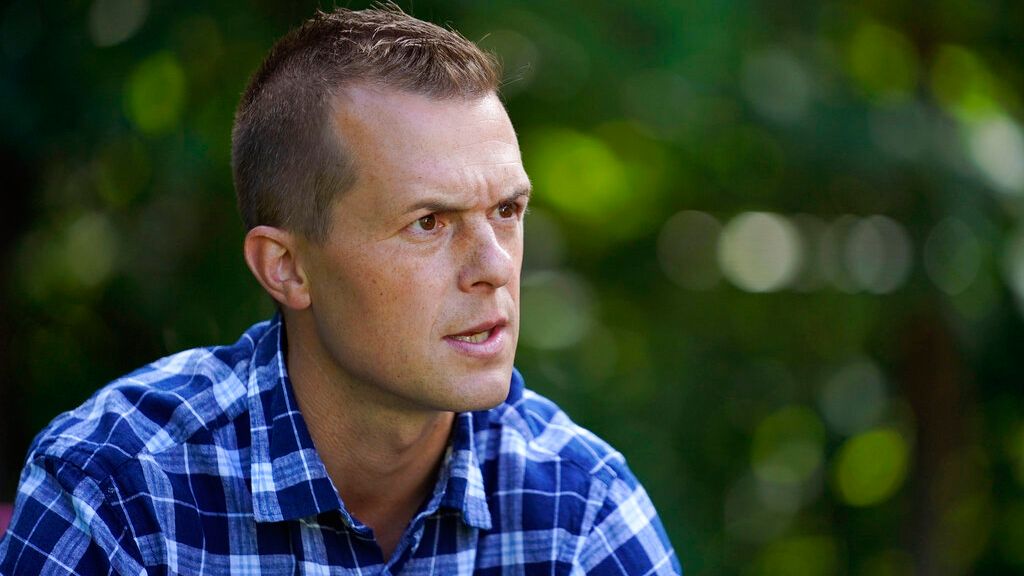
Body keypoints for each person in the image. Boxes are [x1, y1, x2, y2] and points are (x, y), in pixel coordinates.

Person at [0, 6, 681, 574]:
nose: (493, 266)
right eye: (429, 222)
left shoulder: (579, 505)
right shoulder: (115, 489)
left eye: (507, 211)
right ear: (286, 268)